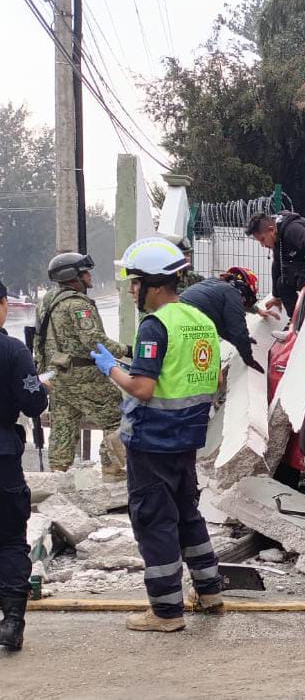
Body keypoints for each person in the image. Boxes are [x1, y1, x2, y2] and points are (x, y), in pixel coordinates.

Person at [90, 237, 223, 633]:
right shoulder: (200, 321)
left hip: (152, 441)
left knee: (154, 521)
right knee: (187, 513)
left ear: (155, 283)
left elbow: (144, 389)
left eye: (135, 282)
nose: (132, 290)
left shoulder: (155, 325)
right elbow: (211, 378)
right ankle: (209, 590)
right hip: (187, 438)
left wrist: (111, 369)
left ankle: (165, 612)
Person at [35, 252, 129, 479]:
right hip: (83, 374)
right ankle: (112, 469)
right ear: (74, 275)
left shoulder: (47, 301)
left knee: (63, 424)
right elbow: (94, 340)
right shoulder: (77, 304)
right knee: (116, 415)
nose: (89, 275)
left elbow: (38, 339)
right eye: (85, 271)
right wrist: (126, 351)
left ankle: (57, 476)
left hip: (56, 374)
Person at [0, 277, 50, 651]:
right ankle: (12, 622)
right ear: (3, 305)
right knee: (11, 541)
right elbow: (34, 405)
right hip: (3, 457)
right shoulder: (13, 351)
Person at [180, 267, 266, 373]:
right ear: (245, 288)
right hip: (189, 325)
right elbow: (237, 331)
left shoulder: (213, 283)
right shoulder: (232, 293)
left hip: (171, 315)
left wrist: (244, 341)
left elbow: (224, 327)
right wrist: (249, 360)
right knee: (207, 370)